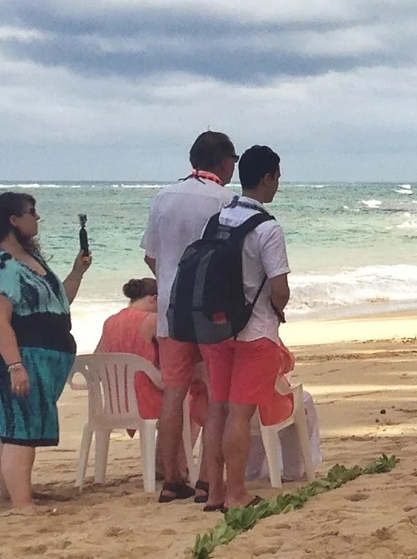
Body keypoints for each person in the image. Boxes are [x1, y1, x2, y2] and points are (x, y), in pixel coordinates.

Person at [0, 191, 92, 509]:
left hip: (41, 352)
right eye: (31, 212)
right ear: (13, 220)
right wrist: (15, 365)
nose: (37, 217)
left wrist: (77, 271)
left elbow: (58, 302)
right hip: (15, 352)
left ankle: (14, 494)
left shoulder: (30, 259)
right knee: (19, 429)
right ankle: (22, 504)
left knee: (15, 426)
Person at [142, 130, 237, 504]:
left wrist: (169, 278)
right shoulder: (226, 200)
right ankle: (209, 480)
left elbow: (151, 255)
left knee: (174, 393)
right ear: (223, 161)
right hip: (212, 311)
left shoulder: (164, 197)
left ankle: (171, 477)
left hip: (171, 308)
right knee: (217, 395)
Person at [203, 145, 292, 509]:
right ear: (268, 177)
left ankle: (212, 490)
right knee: (240, 414)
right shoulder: (267, 228)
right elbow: (280, 290)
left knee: (217, 409)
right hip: (255, 332)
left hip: (215, 327)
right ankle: (236, 492)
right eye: (277, 177)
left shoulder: (219, 218)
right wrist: (276, 308)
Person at [96, 277, 165, 422]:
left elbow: (97, 359)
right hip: (146, 402)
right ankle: (178, 445)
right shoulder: (153, 320)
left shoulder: (110, 321)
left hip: (115, 402)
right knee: (193, 399)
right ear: (155, 298)